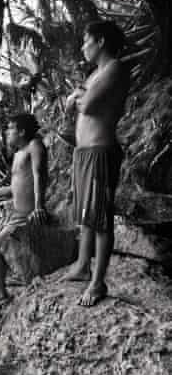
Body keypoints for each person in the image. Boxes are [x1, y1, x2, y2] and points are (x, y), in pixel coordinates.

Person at [62, 20, 130, 307]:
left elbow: (87, 106)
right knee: (87, 213)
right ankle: (81, 265)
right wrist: (79, 96)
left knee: (100, 217)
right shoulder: (96, 74)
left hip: (101, 151)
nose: (82, 46)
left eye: (86, 40)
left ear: (100, 41)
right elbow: (80, 102)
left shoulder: (114, 68)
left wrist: (77, 96)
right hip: (85, 152)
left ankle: (98, 281)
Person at [0, 113, 48, 307]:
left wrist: (39, 207)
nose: (6, 132)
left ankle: (2, 295)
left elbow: (39, 176)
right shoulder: (19, 154)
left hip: (25, 214)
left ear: (21, 131)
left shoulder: (34, 146)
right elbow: (13, 188)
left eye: (10, 128)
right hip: (14, 213)